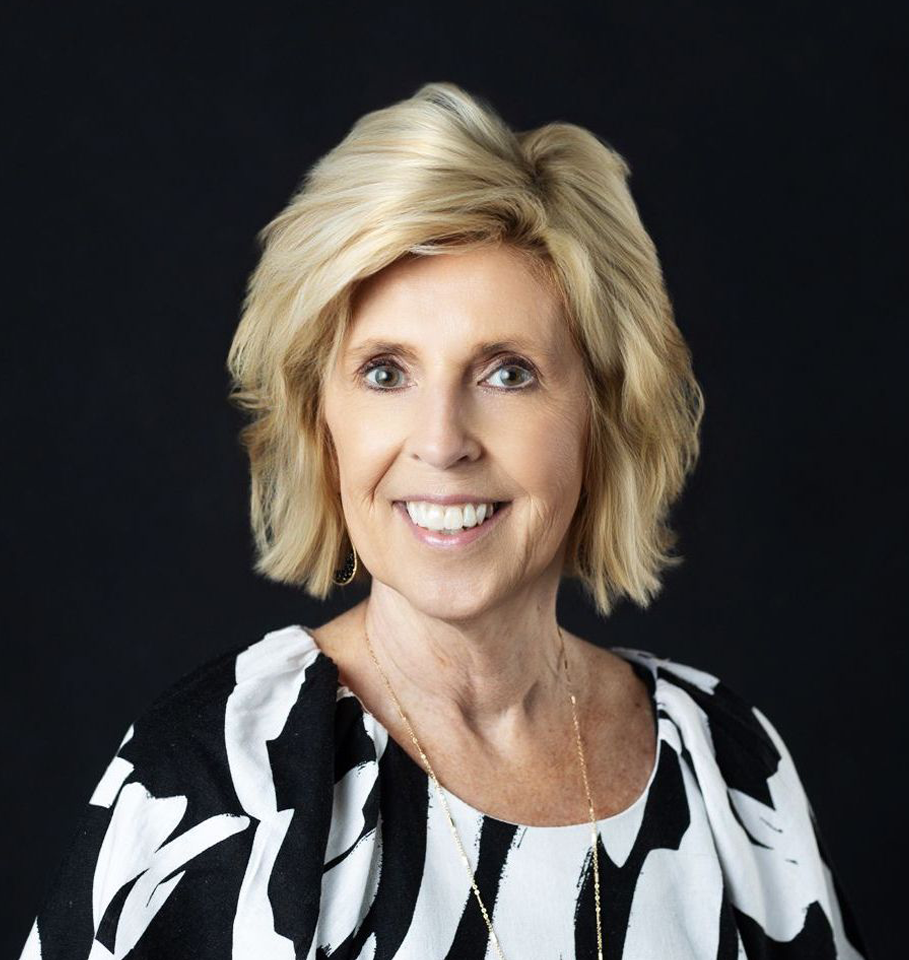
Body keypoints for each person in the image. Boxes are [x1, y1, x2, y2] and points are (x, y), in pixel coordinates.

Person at [19, 81, 869, 960]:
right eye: (386, 373)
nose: (442, 442)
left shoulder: (725, 761)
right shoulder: (224, 776)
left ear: (601, 414)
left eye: (506, 373)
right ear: (323, 421)